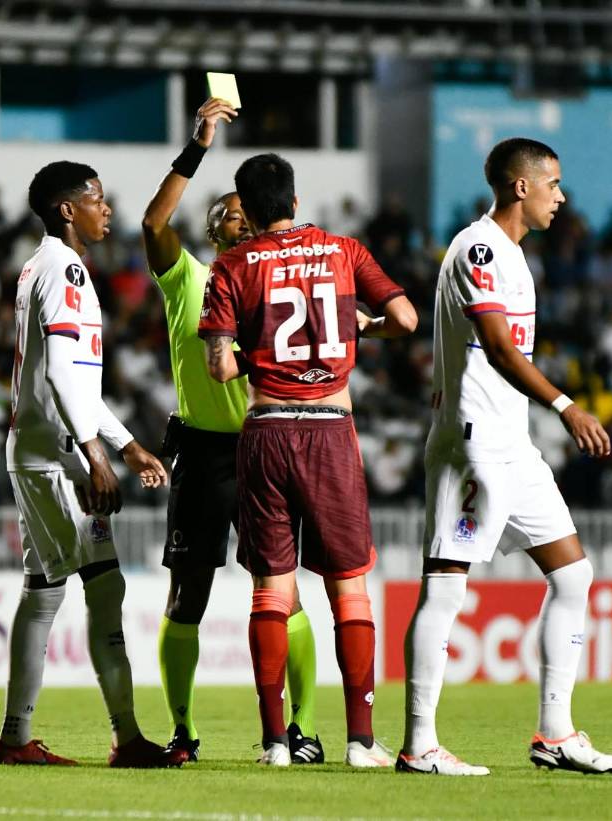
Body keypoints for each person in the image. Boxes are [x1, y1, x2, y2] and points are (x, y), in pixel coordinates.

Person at [398, 138, 612, 777]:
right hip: (472, 446)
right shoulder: (479, 248)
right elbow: (499, 349)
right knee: (445, 590)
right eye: (553, 183)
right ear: (520, 186)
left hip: (512, 446)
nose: (561, 195)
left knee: (574, 576)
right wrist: (566, 405)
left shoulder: (516, 258)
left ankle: (555, 734)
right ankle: (420, 745)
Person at [198, 152, 417, 767]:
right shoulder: (344, 250)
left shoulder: (231, 265)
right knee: (349, 588)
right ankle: (360, 742)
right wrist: (357, 330)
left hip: (265, 428)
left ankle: (274, 744)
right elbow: (404, 317)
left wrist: (259, 348)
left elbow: (218, 367)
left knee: (271, 589)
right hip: (329, 427)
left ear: (245, 207)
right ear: (294, 201)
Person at [140, 98, 323, 764]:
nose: (232, 218)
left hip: (268, 447)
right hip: (206, 453)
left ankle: (298, 728)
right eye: (223, 213)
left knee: (283, 591)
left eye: (243, 211)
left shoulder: (282, 282)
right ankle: (183, 732)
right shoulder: (187, 278)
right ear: (213, 229)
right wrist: (198, 145)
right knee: (186, 595)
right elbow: (154, 220)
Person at [0, 160, 181, 769]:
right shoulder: (63, 267)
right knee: (73, 590)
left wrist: (126, 444)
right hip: (55, 457)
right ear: (67, 209)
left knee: (58, 590)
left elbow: (75, 382)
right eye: (96, 198)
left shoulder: (48, 266)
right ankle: (44, 739)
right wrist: (97, 454)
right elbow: (60, 376)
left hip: (51, 451)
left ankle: (74, 738)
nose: (107, 208)